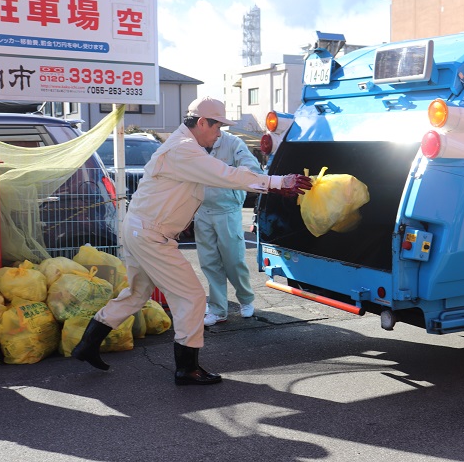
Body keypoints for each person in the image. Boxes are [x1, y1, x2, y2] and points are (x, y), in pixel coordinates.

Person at [72, 96, 312, 386]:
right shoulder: (185, 149)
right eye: (217, 126)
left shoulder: (183, 146)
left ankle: (86, 346)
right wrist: (278, 183)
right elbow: (225, 174)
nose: (219, 133)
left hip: (140, 229)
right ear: (201, 123)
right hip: (151, 234)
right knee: (193, 297)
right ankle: (187, 368)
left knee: (137, 294)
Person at [195, 126, 262, 326]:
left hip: (227, 209)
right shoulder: (191, 143)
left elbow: (251, 165)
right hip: (201, 209)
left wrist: (241, 173)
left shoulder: (232, 142)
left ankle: (246, 299)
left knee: (234, 260)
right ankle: (217, 309)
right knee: (209, 262)